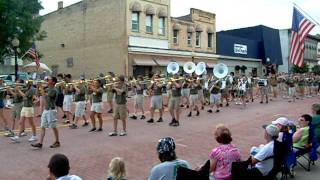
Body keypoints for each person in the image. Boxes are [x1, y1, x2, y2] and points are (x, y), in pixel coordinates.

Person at [31, 76, 60, 149]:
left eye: (49, 80)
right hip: (46, 109)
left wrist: (41, 88)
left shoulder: (54, 90)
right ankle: (40, 143)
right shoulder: (47, 89)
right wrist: (38, 87)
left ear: (53, 82)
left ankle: (57, 141)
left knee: (53, 126)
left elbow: (46, 96)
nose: (47, 80)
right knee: (43, 126)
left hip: (51, 110)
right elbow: (37, 95)